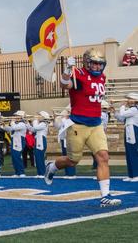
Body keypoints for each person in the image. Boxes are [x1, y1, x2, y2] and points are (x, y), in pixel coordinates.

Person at [45, 49, 121, 207]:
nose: (97, 67)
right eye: (94, 63)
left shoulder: (102, 77)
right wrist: (67, 70)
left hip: (96, 125)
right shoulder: (78, 73)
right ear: (87, 62)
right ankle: (52, 166)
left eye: (100, 64)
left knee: (103, 157)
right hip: (78, 125)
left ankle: (105, 196)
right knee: (73, 161)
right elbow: (64, 85)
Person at [114, 93, 138, 182]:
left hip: (132, 131)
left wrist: (122, 106)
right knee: (128, 153)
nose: (127, 101)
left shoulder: (134, 109)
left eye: (129, 99)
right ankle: (131, 175)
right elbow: (121, 118)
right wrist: (114, 112)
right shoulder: (130, 110)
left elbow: (123, 114)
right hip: (128, 130)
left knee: (133, 153)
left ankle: (136, 175)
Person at [2, 111, 27, 177]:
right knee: (14, 157)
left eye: (16, 116)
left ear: (20, 117)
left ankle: (21, 172)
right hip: (15, 141)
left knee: (17, 157)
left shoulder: (22, 124)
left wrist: (12, 121)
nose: (14, 117)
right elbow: (10, 129)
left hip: (19, 141)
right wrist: (4, 125)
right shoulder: (16, 124)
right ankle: (17, 172)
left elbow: (14, 128)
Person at [53, 109, 76, 178]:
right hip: (64, 140)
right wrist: (55, 118)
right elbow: (58, 126)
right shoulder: (63, 119)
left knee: (71, 157)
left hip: (71, 140)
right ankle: (67, 173)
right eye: (68, 112)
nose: (68, 113)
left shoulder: (74, 120)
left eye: (69, 112)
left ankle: (72, 173)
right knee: (65, 156)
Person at [30, 111, 50, 178]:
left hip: (41, 140)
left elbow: (35, 128)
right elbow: (32, 129)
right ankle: (39, 173)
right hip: (38, 140)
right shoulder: (40, 124)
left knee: (40, 158)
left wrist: (35, 120)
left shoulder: (44, 123)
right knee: (37, 157)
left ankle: (42, 173)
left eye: (39, 115)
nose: (38, 116)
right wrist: (27, 123)